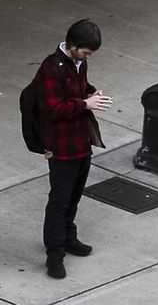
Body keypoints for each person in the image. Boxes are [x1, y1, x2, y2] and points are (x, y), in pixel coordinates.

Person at [32, 20, 110, 280]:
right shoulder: (50, 69)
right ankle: (54, 254)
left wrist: (90, 95)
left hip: (80, 142)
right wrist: (85, 103)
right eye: (86, 53)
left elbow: (76, 92)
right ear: (73, 46)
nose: (88, 57)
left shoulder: (78, 63)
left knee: (74, 195)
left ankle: (68, 237)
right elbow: (52, 109)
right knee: (59, 200)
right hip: (61, 146)